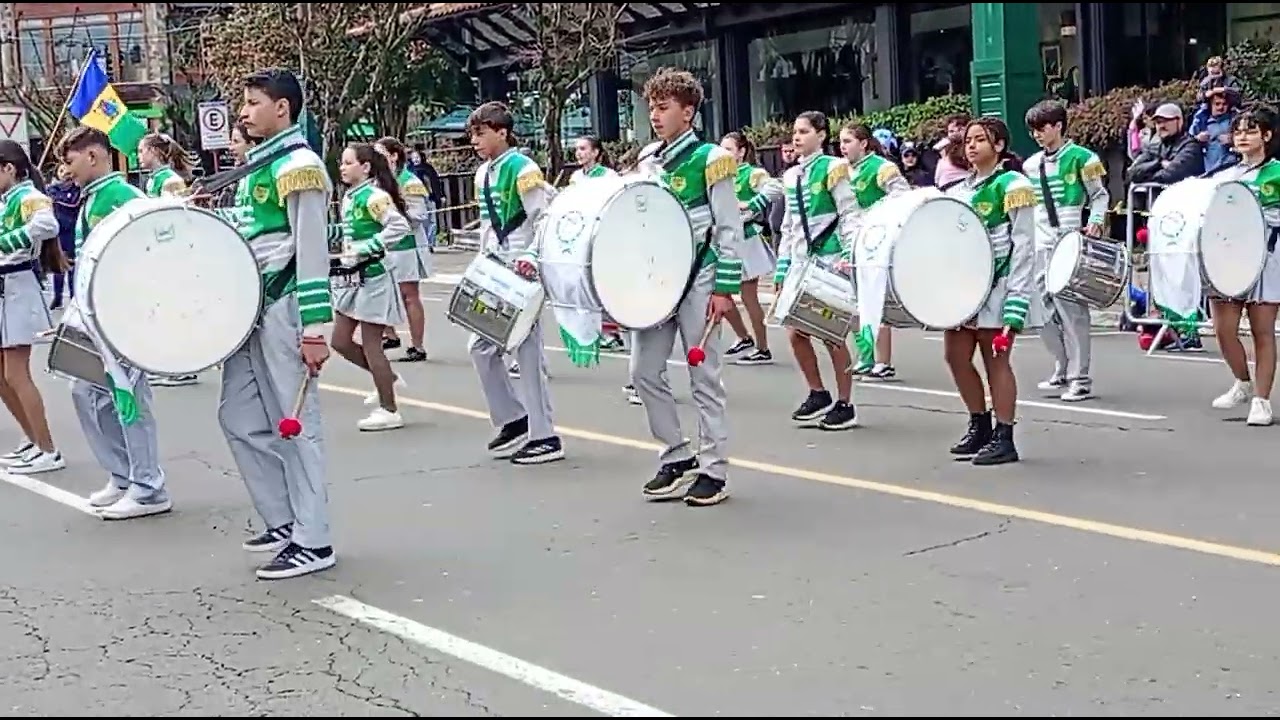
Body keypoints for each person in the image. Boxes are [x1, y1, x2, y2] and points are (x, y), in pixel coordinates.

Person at [222, 67, 336, 580]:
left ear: (282, 108)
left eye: (252, 102)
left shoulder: (299, 166)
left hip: (284, 306)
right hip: (249, 309)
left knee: (296, 424)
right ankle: (284, 520)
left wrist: (314, 328)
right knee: (238, 416)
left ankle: (314, 540)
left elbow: (311, 252)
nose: (243, 112)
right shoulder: (260, 165)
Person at [631, 67, 743, 506]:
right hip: (658, 281)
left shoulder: (711, 158)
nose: (655, 116)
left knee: (704, 377)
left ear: (688, 111)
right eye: (652, 108)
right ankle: (676, 454)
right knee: (642, 371)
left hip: (701, 278)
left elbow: (728, 227)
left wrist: (724, 288)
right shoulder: (648, 158)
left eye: (664, 108)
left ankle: (714, 468)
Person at [59, 126, 171, 518]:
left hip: (125, 315)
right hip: (96, 314)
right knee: (86, 390)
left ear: (93, 156)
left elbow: (155, 246)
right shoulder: (93, 197)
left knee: (128, 397)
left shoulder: (123, 196)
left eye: (70, 161)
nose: (66, 170)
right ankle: (123, 475)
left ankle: (148, 487)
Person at [468, 101, 565, 464]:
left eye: (481, 133)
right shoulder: (483, 173)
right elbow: (487, 225)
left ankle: (544, 435)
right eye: (473, 134)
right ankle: (513, 418)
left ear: (502, 132)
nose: (475, 141)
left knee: (527, 353)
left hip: (523, 269)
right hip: (496, 270)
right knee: (481, 347)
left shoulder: (523, 168)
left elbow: (543, 219)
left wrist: (533, 258)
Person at [942, 117, 1037, 465]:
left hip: (999, 286)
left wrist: (1017, 299)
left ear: (999, 146)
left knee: (995, 360)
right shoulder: (958, 191)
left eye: (980, 139)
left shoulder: (1013, 185)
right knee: (955, 356)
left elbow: (1024, 246)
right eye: (968, 139)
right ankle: (979, 424)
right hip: (965, 290)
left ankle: (1004, 436)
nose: (971, 145)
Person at [1022, 99, 1110, 403]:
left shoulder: (1083, 158)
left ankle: (1079, 378)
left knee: (1072, 311)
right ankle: (1062, 363)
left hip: (1070, 240)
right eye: (1033, 130)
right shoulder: (1030, 165)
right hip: (1040, 242)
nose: (1037, 134)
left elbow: (1099, 195)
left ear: (1058, 126)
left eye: (1041, 128)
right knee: (1038, 307)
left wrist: (1096, 221)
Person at [1208, 106, 1280, 426]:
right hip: (1227, 259)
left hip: (1267, 257)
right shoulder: (1223, 176)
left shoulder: (1277, 173)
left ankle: (1262, 401)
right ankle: (1243, 382)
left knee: (1262, 331)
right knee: (1224, 330)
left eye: (1251, 131)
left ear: (1267, 135)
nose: (1243, 137)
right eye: (1238, 131)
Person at [332, 142, 411, 432]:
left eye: (348, 162)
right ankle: (387, 378)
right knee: (340, 341)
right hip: (352, 277)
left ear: (365, 167)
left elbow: (399, 227)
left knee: (371, 344)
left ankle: (389, 409)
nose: (342, 168)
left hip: (374, 277)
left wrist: (369, 247)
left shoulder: (375, 197)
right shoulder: (351, 196)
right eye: (342, 163)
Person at [0, 139, 67, 475]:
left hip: (17, 287)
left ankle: (48, 449)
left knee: (16, 374)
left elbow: (47, 225)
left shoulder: (28, 196)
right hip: (5, 290)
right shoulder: (9, 199)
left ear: (9, 168)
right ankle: (32, 439)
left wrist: (6, 241)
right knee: (3, 376)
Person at [138, 131, 200, 387]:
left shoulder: (170, 181)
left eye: (142, 150)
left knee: (174, 310)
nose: (138, 156)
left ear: (155, 152)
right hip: (159, 253)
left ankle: (182, 367)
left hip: (172, 253)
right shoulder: (154, 180)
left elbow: (175, 217)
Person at [719, 131, 782, 367]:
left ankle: (762, 348)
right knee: (719, 292)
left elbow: (775, 188)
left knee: (748, 297)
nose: (723, 154)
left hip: (746, 241)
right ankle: (744, 337)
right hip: (724, 241)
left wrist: (751, 205)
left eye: (728, 149)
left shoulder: (752, 173)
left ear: (741, 152)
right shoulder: (721, 174)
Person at [374, 136, 431, 364]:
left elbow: (420, 216)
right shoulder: (377, 183)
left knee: (409, 296)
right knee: (381, 291)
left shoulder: (409, 182)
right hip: (384, 246)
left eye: (381, 154)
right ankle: (390, 335)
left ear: (394, 156)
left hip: (406, 247)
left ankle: (417, 345)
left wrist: (396, 217)